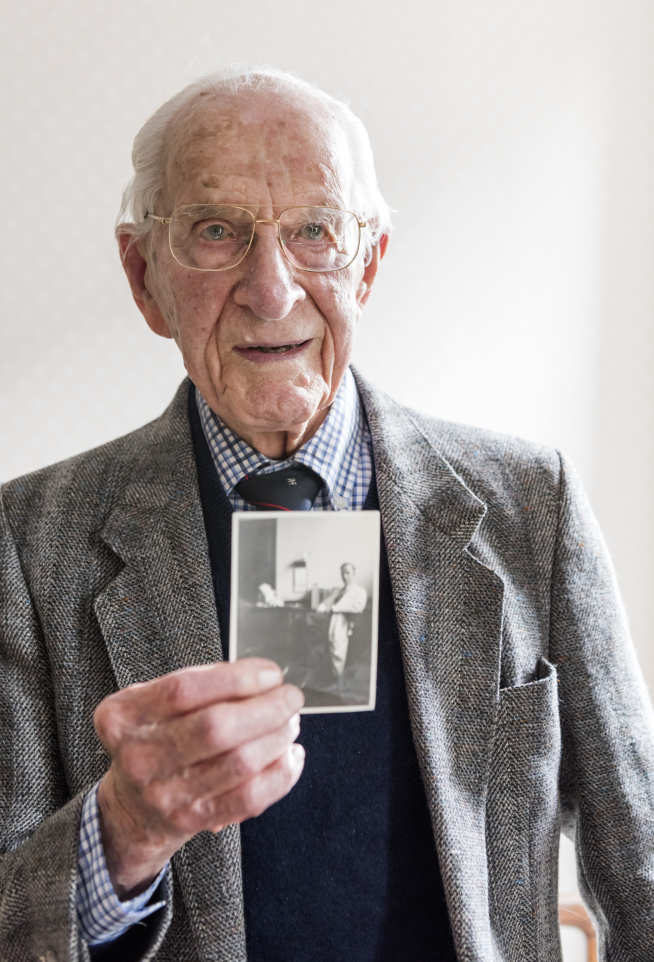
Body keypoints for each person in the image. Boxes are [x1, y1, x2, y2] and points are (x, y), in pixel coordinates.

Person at [0, 66, 652, 962]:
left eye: (314, 232)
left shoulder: (529, 507)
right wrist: (122, 833)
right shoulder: (31, 543)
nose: (271, 290)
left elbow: (643, 863)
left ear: (370, 263)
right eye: (217, 232)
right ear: (143, 274)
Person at [318, 562, 368, 677]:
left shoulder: (360, 591)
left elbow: (357, 607)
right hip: (333, 621)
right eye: (342, 573)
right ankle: (333, 677)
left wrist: (334, 608)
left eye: (348, 573)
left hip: (348, 622)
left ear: (354, 574)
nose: (345, 576)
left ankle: (338, 678)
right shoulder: (338, 591)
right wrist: (324, 607)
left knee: (339, 651)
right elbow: (324, 605)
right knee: (331, 648)